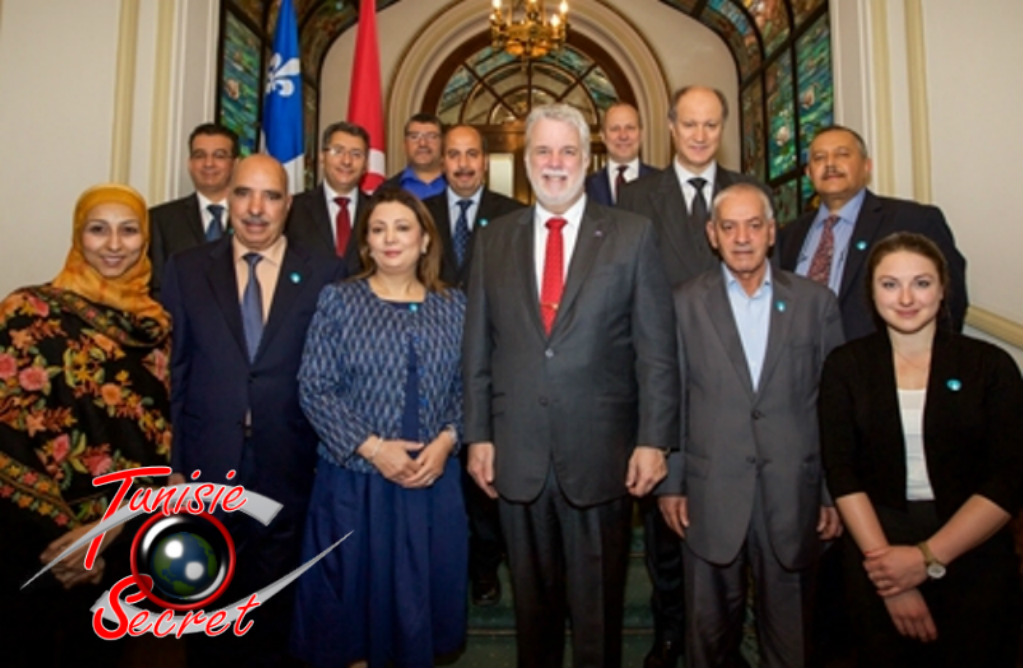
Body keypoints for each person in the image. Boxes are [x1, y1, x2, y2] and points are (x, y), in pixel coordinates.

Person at [464, 103, 678, 668]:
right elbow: (478, 349)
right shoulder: (493, 240)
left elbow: (657, 350)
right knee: (531, 616)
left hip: (601, 454)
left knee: (598, 618)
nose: (554, 163)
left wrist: (654, 440)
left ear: (587, 159)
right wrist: (477, 435)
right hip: (517, 452)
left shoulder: (633, 236)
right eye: (542, 151)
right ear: (525, 159)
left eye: (567, 151)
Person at [160, 154, 345, 667]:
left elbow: (335, 375)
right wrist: (173, 464)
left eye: (270, 196)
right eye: (244, 194)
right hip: (205, 463)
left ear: (289, 204)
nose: (256, 209)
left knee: (279, 603)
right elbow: (174, 373)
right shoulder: (187, 268)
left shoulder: (325, 272)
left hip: (290, 462)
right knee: (207, 597)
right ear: (229, 198)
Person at [657, 183, 844, 668]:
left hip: (793, 494)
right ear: (712, 235)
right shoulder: (681, 303)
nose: (742, 238)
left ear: (771, 232)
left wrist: (830, 492)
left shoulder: (815, 303)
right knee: (709, 637)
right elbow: (672, 399)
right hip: (709, 491)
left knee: (792, 640)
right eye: (730, 226)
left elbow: (832, 408)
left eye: (754, 225)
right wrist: (672, 484)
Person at [818, 232, 1022, 667]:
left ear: (944, 288)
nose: (906, 297)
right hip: (876, 552)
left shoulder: (991, 366)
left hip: (972, 553)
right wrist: (892, 578)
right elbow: (842, 473)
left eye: (922, 283)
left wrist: (927, 558)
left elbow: (1008, 478)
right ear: (871, 293)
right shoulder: (845, 366)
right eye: (890, 284)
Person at [617, 84, 768, 668]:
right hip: (661, 382)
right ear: (672, 127)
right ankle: (672, 631)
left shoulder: (746, 194)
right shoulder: (637, 197)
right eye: (690, 124)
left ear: (721, 127)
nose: (700, 135)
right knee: (666, 524)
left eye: (711, 125)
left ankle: (728, 637)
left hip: (733, 389)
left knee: (731, 521)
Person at [291, 187, 467, 667]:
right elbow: (314, 388)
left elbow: (469, 387)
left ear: (425, 240)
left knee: (419, 613)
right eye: (378, 229)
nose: (391, 239)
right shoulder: (340, 301)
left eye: (403, 227)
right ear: (365, 243)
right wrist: (374, 448)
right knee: (352, 617)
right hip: (355, 483)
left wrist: (448, 440)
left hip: (431, 483)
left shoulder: (455, 306)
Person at [0, 183, 172, 667]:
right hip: (29, 541)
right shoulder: (26, 312)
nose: (114, 245)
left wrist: (102, 533)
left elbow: (160, 448)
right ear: (79, 237)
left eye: (128, 230)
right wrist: (67, 541)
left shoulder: (158, 331)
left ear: (145, 239)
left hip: (117, 539)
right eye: (98, 230)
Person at [422, 125, 522, 607]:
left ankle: (485, 569)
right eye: (453, 155)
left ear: (485, 161)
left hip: (495, 368)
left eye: (472, 155)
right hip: (433, 371)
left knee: (485, 479)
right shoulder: (421, 216)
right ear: (442, 162)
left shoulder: (512, 215)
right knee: (440, 483)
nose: (463, 164)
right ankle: (442, 571)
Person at [777, 125, 968, 341]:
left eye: (842, 155)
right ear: (809, 173)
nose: (830, 164)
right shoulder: (789, 235)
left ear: (867, 166)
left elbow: (951, 299)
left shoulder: (913, 220)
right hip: (800, 367)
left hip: (881, 369)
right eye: (819, 158)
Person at [149, 122, 239, 296]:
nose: (208, 163)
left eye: (219, 156)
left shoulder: (253, 217)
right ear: (190, 163)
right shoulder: (160, 219)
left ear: (235, 164)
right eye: (199, 155)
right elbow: (157, 286)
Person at [286, 120, 371, 273]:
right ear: (322, 157)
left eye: (356, 154)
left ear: (365, 165)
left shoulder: (377, 210)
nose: (346, 161)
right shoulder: (293, 209)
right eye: (338, 151)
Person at [585, 101, 658, 206]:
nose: (623, 136)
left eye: (630, 128)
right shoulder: (585, 187)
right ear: (603, 136)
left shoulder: (663, 184)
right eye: (615, 129)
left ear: (641, 134)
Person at [380, 112, 447, 199]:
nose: (423, 143)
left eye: (431, 136)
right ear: (404, 144)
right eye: (414, 137)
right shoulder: (386, 191)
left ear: (443, 143)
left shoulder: (460, 184)